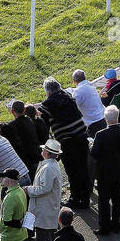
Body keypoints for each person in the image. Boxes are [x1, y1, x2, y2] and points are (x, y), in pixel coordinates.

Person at [39, 78, 91, 207]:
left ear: (48, 92)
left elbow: (43, 126)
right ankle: (85, 198)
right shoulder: (68, 96)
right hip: (82, 136)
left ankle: (75, 198)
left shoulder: (47, 105)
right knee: (83, 169)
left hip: (68, 142)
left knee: (72, 172)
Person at [91, 105, 120, 235]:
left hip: (104, 173)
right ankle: (116, 224)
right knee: (117, 199)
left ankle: (104, 226)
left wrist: (91, 145)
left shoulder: (101, 135)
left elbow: (95, 154)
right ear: (117, 117)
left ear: (106, 119)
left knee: (103, 200)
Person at [26, 139, 65, 241]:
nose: (42, 151)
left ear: (47, 153)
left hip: (44, 207)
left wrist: (28, 190)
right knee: (48, 235)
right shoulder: (53, 165)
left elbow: (44, 189)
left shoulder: (48, 168)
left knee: (43, 237)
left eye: (43, 149)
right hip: (49, 206)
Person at [0, 100, 41, 179]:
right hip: (36, 156)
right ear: (24, 110)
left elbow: (5, 132)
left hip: (25, 162)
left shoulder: (11, 126)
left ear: (12, 111)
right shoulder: (29, 120)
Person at [70, 69, 106, 136]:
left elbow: (73, 108)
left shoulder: (77, 92)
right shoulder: (90, 85)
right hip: (103, 118)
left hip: (94, 124)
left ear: (74, 81)